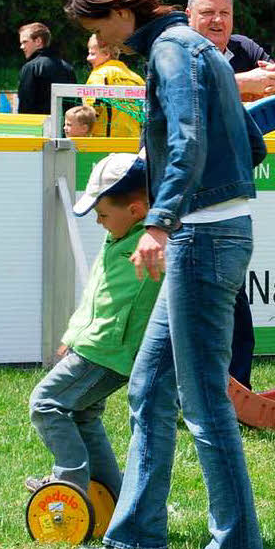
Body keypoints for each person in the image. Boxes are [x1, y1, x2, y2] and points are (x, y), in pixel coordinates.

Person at [65, 0, 268, 549]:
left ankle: (235, 544)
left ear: (123, 9)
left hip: (200, 240)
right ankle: (135, 533)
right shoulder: (193, 47)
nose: (95, 39)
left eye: (97, 24)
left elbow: (186, 137)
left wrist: (160, 219)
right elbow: (250, 145)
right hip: (207, 233)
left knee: (204, 400)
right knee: (151, 389)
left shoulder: (172, 51)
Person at [185, 0, 275, 389]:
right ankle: (195, 391)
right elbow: (189, 91)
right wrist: (243, 84)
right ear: (189, 16)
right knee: (184, 303)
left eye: (224, 13)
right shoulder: (177, 50)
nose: (217, 21)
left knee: (232, 296)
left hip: (229, 194)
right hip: (184, 192)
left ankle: (237, 390)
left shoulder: (244, 50)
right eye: (208, 13)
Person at [27, 153, 162, 499]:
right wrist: (73, 335)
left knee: (45, 403)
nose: (99, 222)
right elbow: (97, 294)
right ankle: (114, 496)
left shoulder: (150, 247)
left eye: (103, 215)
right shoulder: (116, 237)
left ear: (136, 210)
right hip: (91, 345)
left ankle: (70, 483)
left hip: (106, 352)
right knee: (83, 415)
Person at [84, 33, 145, 138]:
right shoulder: (136, 78)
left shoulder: (99, 75)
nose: (88, 58)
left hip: (105, 141)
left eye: (92, 54)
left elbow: (90, 111)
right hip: (134, 140)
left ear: (107, 54)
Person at [17, 22, 77, 114]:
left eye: (25, 42)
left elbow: (25, 105)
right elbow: (74, 105)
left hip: (39, 126)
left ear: (38, 41)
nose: (21, 47)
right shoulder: (68, 68)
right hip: (64, 126)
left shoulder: (31, 67)